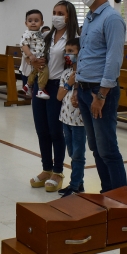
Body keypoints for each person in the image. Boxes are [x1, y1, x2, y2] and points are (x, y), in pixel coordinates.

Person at [73, 0, 127, 193]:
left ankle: (120, 197)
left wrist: (102, 95)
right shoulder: (89, 17)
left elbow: (114, 59)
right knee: (95, 147)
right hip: (86, 89)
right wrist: (77, 87)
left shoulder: (112, 18)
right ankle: (107, 192)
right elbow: (84, 55)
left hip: (100, 91)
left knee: (107, 149)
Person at [29, 0, 79, 192]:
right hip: (42, 84)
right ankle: (46, 168)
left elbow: (75, 63)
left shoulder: (73, 37)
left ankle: (57, 172)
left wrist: (72, 87)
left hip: (59, 85)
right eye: (54, 12)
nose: (56, 16)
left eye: (61, 13)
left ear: (69, 16)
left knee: (55, 131)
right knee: (41, 129)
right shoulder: (48, 36)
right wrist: (35, 62)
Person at [57, 38, 86, 197]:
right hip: (65, 118)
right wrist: (69, 83)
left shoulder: (85, 73)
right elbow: (59, 96)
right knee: (71, 151)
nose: (68, 55)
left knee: (78, 154)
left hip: (79, 122)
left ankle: (74, 185)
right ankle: (79, 182)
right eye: (66, 51)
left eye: (71, 51)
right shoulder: (66, 73)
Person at [20, 9, 50, 99]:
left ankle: (27, 86)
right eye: (30, 21)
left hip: (38, 57)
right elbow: (23, 45)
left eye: (36, 21)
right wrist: (30, 55)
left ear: (42, 23)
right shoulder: (27, 33)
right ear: (26, 23)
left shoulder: (40, 33)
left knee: (34, 72)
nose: (33, 23)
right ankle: (41, 90)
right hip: (34, 58)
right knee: (44, 71)